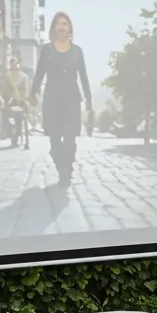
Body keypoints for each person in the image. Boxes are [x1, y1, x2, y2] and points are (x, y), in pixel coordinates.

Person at [30, 11, 91, 187]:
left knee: (70, 138)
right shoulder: (47, 49)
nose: (62, 27)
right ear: (54, 29)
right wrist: (34, 93)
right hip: (52, 99)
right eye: (59, 24)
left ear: (69, 28)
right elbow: (40, 72)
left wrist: (88, 98)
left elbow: (84, 75)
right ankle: (60, 165)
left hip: (72, 99)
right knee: (55, 139)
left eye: (65, 24)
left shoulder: (77, 51)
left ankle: (67, 171)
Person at [2, 57, 31, 150]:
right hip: (9, 101)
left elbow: (25, 91)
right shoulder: (7, 76)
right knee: (6, 118)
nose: (14, 66)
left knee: (18, 119)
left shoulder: (24, 77)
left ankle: (15, 138)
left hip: (19, 102)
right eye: (12, 64)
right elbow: (5, 89)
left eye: (15, 64)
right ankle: (11, 134)